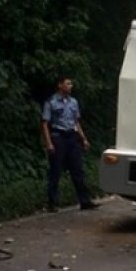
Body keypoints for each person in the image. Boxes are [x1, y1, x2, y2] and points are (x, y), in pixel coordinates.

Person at [41, 77, 97, 211]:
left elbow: (76, 122)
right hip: (58, 136)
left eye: (71, 83)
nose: (70, 86)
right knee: (55, 170)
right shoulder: (51, 102)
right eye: (68, 83)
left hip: (72, 136)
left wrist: (83, 138)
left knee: (78, 169)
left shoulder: (73, 102)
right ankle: (52, 203)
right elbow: (44, 123)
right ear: (60, 85)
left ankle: (85, 201)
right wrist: (49, 143)